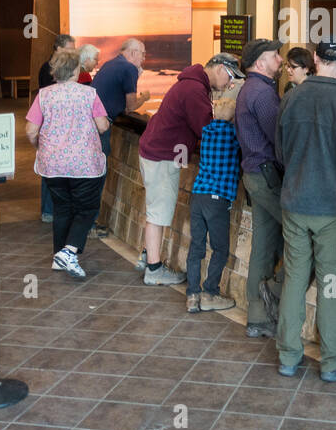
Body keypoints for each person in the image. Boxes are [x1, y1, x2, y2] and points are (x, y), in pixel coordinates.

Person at [273, 39, 336, 382]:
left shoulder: (292, 96)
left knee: (294, 280)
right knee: (330, 284)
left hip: (295, 202)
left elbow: (281, 154)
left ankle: (288, 356)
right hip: (330, 207)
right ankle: (331, 362)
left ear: (315, 58)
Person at [137, 53, 239, 286]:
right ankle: (153, 269)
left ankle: (147, 256)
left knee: (155, 209)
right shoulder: (194, 90)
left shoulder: (191, 83)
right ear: (221, 69)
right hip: (163, 156)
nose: (229, 83)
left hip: (155, 151)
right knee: (158, 213)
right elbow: (206, 129)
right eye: (230, 77)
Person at [26, 48, 110, 280]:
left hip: (52, 164)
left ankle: (58, 257)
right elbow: (102, 126)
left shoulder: (43, 95)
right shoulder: (89, 94)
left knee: (62, 209)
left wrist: (41, 146)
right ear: (75, 71)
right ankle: (70, 251)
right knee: (87, 209)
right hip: (84, 164)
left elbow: (31, 130)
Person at [234, 38, 285, 337]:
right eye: (275, 55)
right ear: (260, 62)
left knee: (263, 246)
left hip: (254, 175)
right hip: (267, 177)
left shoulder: (249, 89)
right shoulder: (264, 94)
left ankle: (257, 317)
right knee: (302, 237)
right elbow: (280, 140)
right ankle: (274, 292)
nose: (280, 60)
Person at [92, 39, 152, 252]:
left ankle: (88, 221)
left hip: (92, 123)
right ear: (134, 53)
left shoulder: (112, 63)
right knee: (98, 173)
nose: (144, 59)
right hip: (100, 125)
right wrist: (145, 96)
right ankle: (91, 223)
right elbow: (130, 106)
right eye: (143, 54)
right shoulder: (129, 68)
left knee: (93, 171)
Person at [187, 96, 240, 314]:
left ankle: (192, 294)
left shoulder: (206, 132)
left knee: (196, 246)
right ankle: (210, 292)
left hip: (198, 195)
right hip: (217, 198)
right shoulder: (234, 135)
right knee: (220, 249)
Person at [37, 34, 74, 222]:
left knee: (52, 169)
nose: (71, 53)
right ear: (58, 49)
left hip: (52, 127)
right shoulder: (48, 69)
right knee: (49, 170)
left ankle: (53, 209)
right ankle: (48, 210)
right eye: (69, 49)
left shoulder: (53, 68)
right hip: (51, 126)